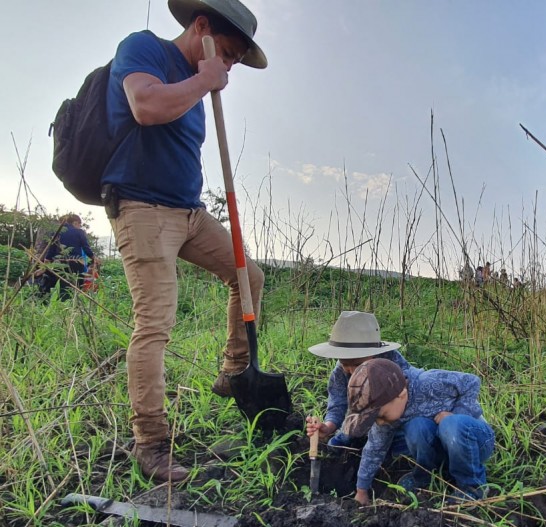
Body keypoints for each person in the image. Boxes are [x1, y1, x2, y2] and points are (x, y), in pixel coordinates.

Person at [102, 0, 268, 483]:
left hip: (190, 213)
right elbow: (146, 106)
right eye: (230, 55)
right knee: (155, 322)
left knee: (248, 276)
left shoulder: (202, 83)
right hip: (142, 208)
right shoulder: (144, 49)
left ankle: (234, 371)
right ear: (202, 27)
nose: (229, 68)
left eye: (235, 61)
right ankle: (150, 443)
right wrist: (205, 80)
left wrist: (208, 81)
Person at [341, 358, 495, 505]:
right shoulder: (389, 410)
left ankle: (472, 487)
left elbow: (471, 381)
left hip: (475, 442)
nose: (380, 422)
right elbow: (374, 449)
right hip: (445, 447)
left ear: (401, 395)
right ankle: (424, 476)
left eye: (381, 416)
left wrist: (458, 412)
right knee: (416, 426)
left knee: (451, 423)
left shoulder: (429, 382)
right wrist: (361, 490)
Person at [305, 311, 413, 453]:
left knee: (399, 447)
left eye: (356, 364)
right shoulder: (340, 372)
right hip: (359, 420)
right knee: (335, 445)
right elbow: (337, 404)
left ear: (373, 354)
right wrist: (328, 426)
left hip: (393, 422)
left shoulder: (395, 366)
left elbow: (410, 403)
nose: (350, 371)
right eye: (345, 364)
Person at [38, 214, 96, 300]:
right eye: (80, 225)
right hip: (76, 263)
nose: (80, 227)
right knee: (76, 287)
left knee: (62, 287)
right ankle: (74, 307)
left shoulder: (57, 232)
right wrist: (95, 259)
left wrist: (44, 267)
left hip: (59, 264)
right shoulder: (79, 232)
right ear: (75, 223)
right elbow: (86, 248)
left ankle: (61, 305)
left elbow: (51, 251)